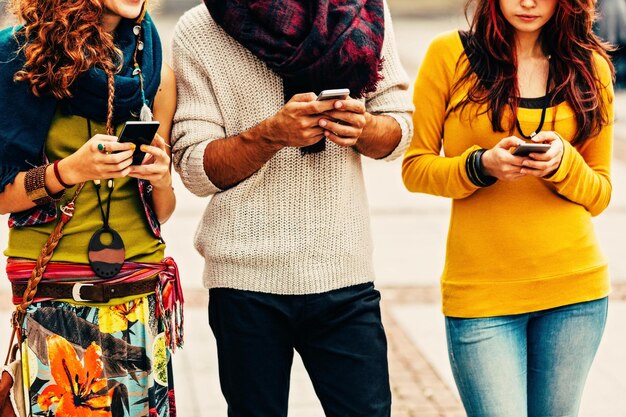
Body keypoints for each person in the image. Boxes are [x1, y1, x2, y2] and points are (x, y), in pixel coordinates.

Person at [171, 0, 413, 415]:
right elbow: (195, 167)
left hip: (343, 272)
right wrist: (269, 136)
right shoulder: (199, 27)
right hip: (245, 281)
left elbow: (400, 131)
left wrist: (364, 127)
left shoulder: (362, 11)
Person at [402, 0, 613, 415]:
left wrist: (563, 163)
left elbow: (600, 193)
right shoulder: (449, 55)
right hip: (482, 296)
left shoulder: (590, 66)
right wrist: (482, 165)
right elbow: (415, 167)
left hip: (574, 295)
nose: (529, 2)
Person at [0, 0, 183, 416]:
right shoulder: (19, 58)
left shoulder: (154, 73)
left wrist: (162, 179)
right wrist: (67, 172)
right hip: (55, 292)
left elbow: (163, 212)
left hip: (139, 288)